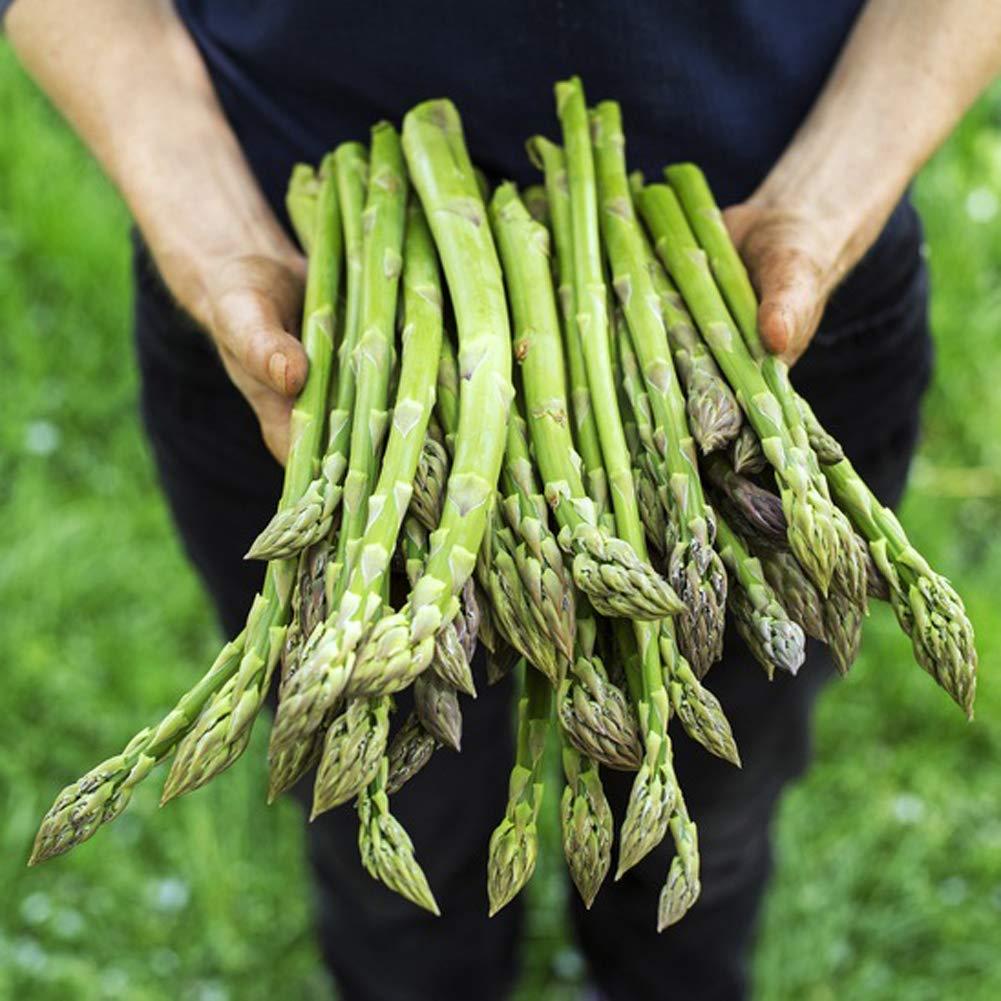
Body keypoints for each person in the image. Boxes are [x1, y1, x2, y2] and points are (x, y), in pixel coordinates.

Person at [6, 2, 1000, 999]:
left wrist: (824, 209)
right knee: (395, 860)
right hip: (313, 316)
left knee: (707, 827)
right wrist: (207, 230)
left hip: (741, 322)